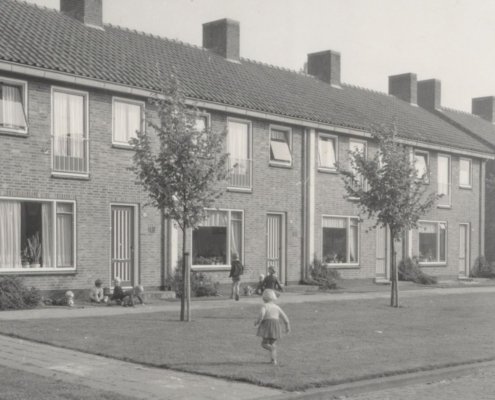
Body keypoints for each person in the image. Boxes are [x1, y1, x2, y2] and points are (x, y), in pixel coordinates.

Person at [254, 289, 290, 365]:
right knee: (273, 343)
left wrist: (257, 322)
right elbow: (285, 318)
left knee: (264, 344)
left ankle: (271, 349)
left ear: (263, 298)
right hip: (276, 326)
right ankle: (273, 360)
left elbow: (261, 315)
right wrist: (287, 327)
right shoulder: (277, 307)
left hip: (267, 325)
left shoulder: (264, 306)